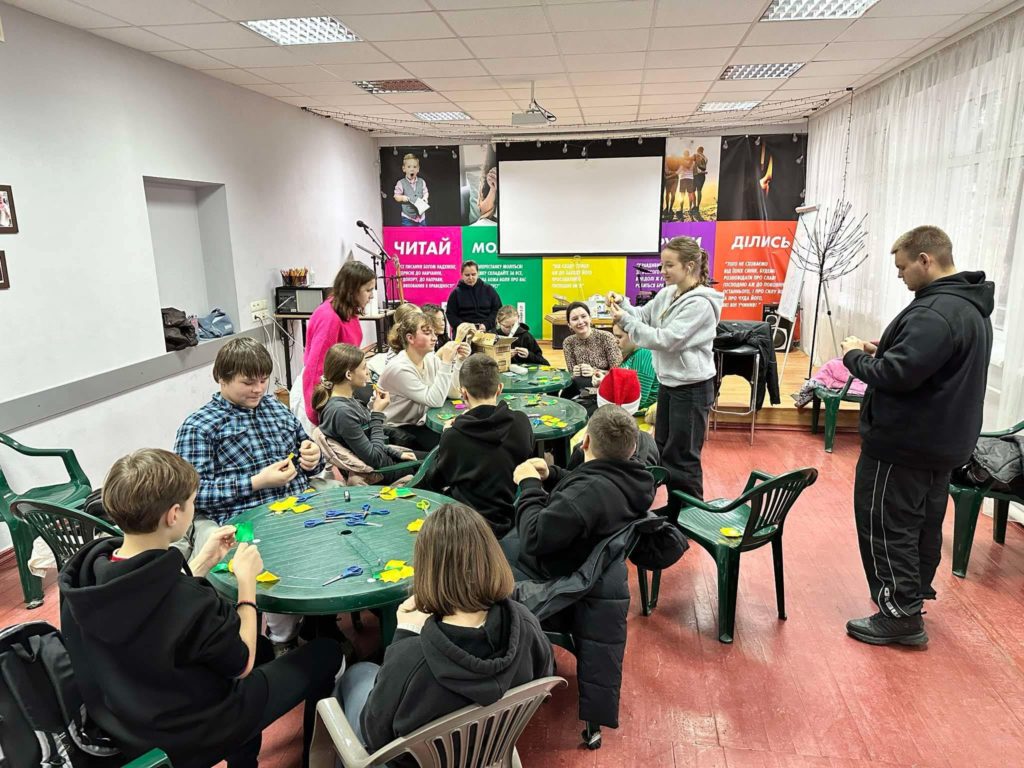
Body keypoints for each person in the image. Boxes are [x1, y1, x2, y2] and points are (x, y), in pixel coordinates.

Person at [59, 449, 343, 768]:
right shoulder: (188, 599)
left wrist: (202, 562)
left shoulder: (86, 573)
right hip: (192, 732)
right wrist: (246, 584)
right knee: (327, 652)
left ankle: (245, 759)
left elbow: (152, 603)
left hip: (127, 717)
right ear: (174, 515)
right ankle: (314, 758)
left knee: (265, 649)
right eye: (193, 502)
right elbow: (241, 665)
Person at [839, 225, 993, 647]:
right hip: (941, 442)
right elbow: (929, 365)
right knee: (922, 525)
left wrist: (853, 355)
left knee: (887, 526)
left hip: (903, 444)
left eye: (903, 267)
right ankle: (913, 595)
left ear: (925, 260)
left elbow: (896, 375)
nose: (900, 276)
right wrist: (884, 348)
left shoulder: (933, 312)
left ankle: (900, 615)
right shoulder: (966, 307)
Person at [334, 503, 552, 764]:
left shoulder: (410, 660)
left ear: (428, 573)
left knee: (355, 675)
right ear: (492, 557)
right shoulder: (526, 623)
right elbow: (544, 675)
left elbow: (374, 736)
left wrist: (404, 633)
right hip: (492, 750)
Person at [175, 337, 324, 553]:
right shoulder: (199, 427)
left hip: (303, 510)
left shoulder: (276, 409)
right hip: (245, 525)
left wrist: (313, 459)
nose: (258, 389)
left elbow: (309, 456)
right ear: (221, 378)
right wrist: (255, 482)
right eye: (248, 383)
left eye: (263, 380)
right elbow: (191, 495)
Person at [608, 236, 723, 513]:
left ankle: (688, 513)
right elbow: (642, 316)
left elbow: (666, 340)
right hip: (670, 384)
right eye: (662, 265)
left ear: (690, 265)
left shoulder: (701, 304)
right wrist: (623, 304)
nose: (662, 272)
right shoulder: (667, 293)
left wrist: (625, 320)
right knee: (662, 447)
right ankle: (675, 507)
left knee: (683, 455)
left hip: (692, 389)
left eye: (668, 265)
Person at [510, 404, 655, 579]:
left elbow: (532, 538)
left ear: (585, 442)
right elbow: (590, 482)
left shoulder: (582, 498)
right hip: (591, 563)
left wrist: (529, 484)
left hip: (553, 576)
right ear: (632, 449)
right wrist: (551, 474)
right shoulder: (635, 480)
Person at [425, 354, 534, 538]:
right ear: (500, 388)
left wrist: (445, 438)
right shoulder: (521, 422)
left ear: (463, 393)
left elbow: (436, 481)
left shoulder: (453, 435)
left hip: (465, 527)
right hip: (510, 519)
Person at [312, 343, 418, 484]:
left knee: (439, 457)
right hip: (383, 473)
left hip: (388, 460)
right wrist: (377, 413)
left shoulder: (349, 400)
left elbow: (365, 442)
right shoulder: (341, 412)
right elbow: (375, 459)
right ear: (349, 375)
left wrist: (397, 453)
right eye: (364, 367)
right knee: (441, 464)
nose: (368, 372)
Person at [378, 311, 470, 450]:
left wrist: (459, 362)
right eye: (427, 333)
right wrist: (446, 362)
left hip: (418, 423)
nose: (434, 338)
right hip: (397, 430)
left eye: (434, 333)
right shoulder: (399, 368)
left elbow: (454, 393)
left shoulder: (429, 358)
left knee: (460, 439)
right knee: (454, 444)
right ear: (410, 338)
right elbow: (435, 400)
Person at [302, 260, 376, 425]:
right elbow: (315, 370)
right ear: (352, 291)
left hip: (342, 391)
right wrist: (318, 413)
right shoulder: (329, 318)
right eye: (368, 290)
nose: (371, 295)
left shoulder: (348, 311)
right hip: (325, 399)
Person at [567, 369, 660, 470]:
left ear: (600, 401)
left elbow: (569, 477)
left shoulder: (582, 447)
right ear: (636, 405)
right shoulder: (649, 442)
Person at [562, 301, 621, 401]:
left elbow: (618, 372)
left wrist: (594, 371)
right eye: (575, 319)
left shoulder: (606, 337)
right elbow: (571, 374)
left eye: (584, 316)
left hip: (604, 384)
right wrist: (574, 372)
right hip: (580, 386)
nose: (580, 322)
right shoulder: (568, 342)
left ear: (590, 318)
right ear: (569, 325)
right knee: (565, 393)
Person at [597, 321, 659, 412]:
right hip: (626, 408)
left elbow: (639, 400)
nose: (615, 341)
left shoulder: (644, 354)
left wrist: (604, 384)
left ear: (634, 336)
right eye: (614, 336)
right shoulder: (631, 353)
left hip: (639, 413)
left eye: (619, 337)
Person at [445, 261, 502, 332]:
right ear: (462, 275)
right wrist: (464, 327)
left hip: (487, 330)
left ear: (478, 273)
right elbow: (451, 315)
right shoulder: (455, 293)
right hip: (464, 332)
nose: (470, 278)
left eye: (473, 274)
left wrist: (486, 325)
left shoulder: (489, 290)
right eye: (467, 275)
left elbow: (497, 310)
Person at [393, 153, 428, 226]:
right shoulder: (401, 183)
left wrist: (425, 198)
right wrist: (402, 198)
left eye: (414, 167)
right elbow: (396, 196)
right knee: (408, 236)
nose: (412, 169)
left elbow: (426, 192)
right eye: (409, 167)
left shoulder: (422, 181)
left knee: (423, 236)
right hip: (408, 218)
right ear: (404, 169)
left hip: (421, 217)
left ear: (418, 169)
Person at [693, 145, 708, 220]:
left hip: (697, 175)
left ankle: (694, 206)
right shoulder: (706, 158)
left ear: (698, 150)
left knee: (693, 191)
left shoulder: (696, 155)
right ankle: (697, 206)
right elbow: (704, 167)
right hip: (702, 176)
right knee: (699, 191)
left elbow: (694, 165)